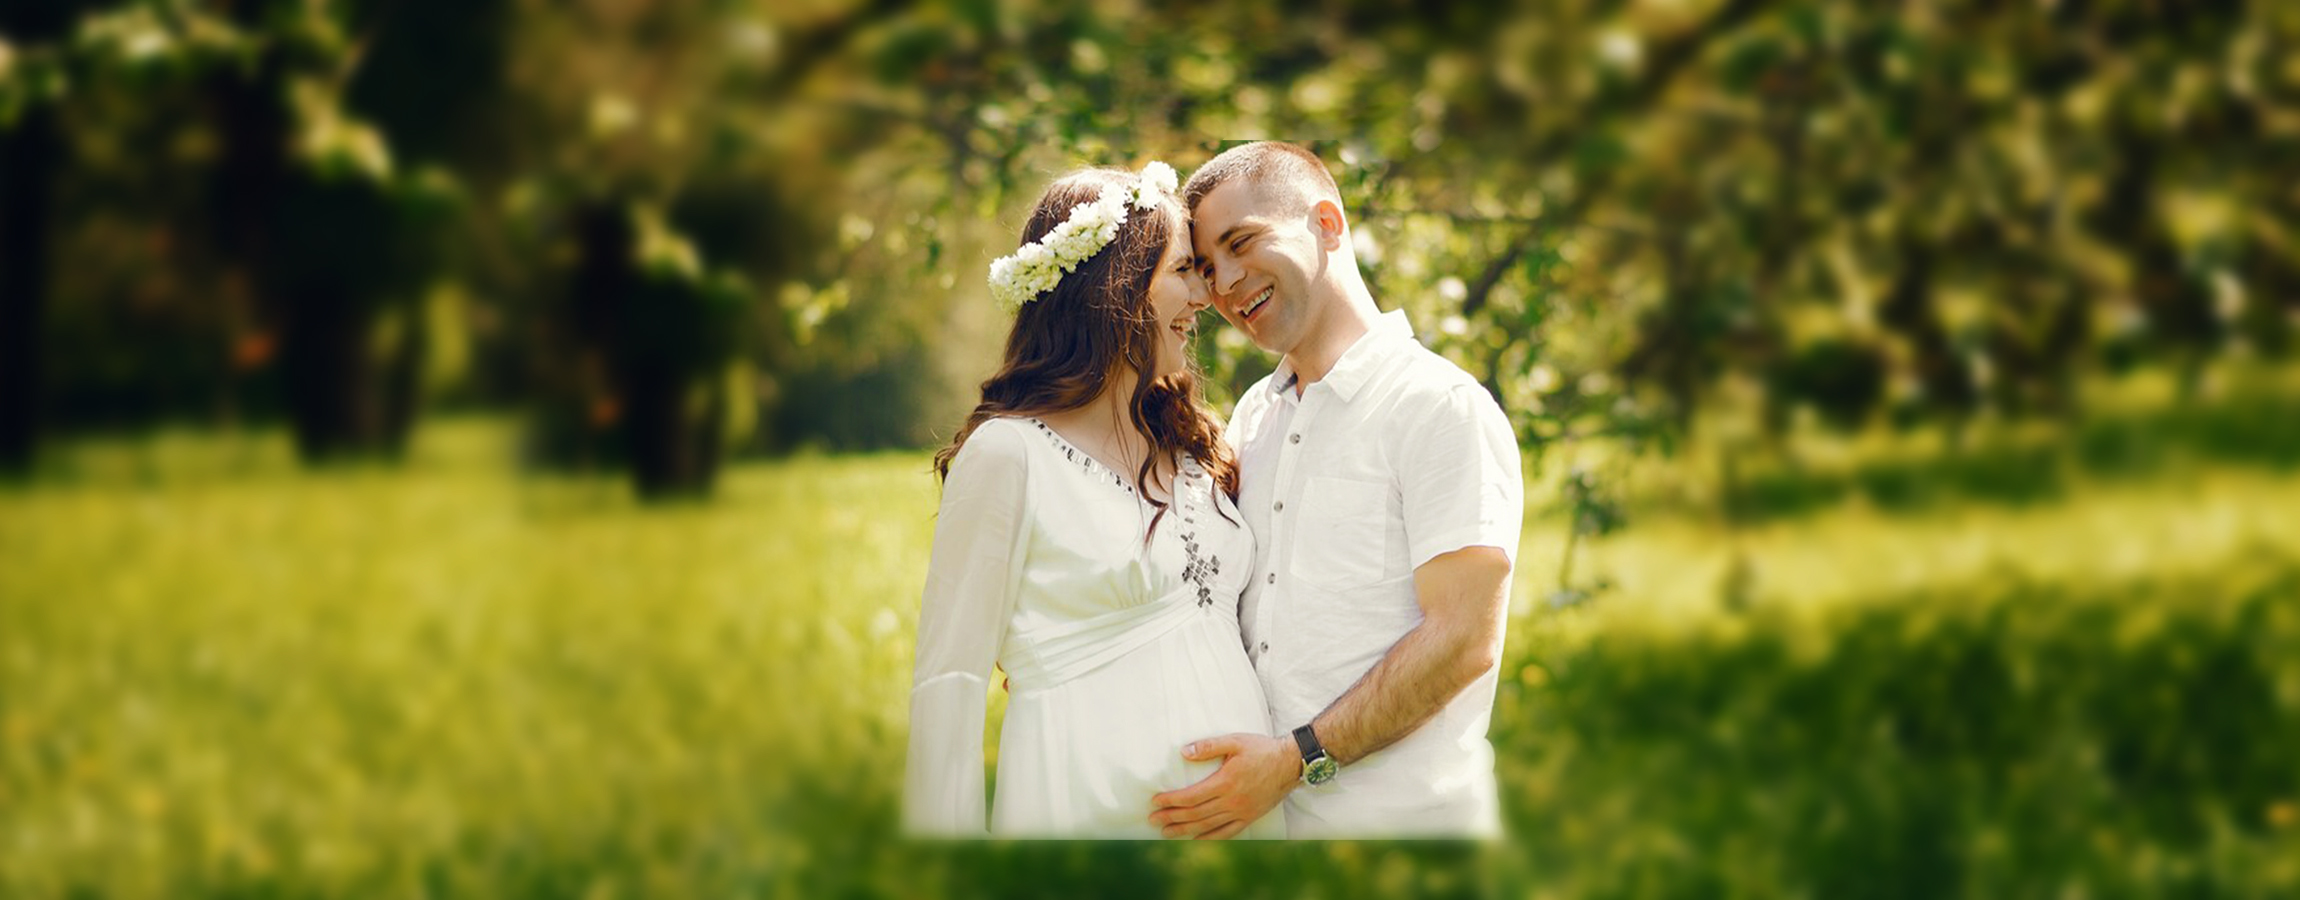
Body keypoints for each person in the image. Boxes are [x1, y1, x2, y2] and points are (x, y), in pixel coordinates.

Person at [1150, 142, 1525, 839]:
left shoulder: (1439, 407)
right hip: (1268, 841)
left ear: (1326, 223)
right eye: (1204, 267)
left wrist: (1296, 761)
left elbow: (1462, 638)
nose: (1224, 284)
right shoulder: (1253, 417)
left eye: (1241, 242)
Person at [904, 162, 1283, 838]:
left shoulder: (1193, 444)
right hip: (1089, 815)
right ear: (1117, 286)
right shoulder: (1010, 454)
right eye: (1183, 270)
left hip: (1244, 828)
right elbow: (949, 681)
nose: (1205, 295)